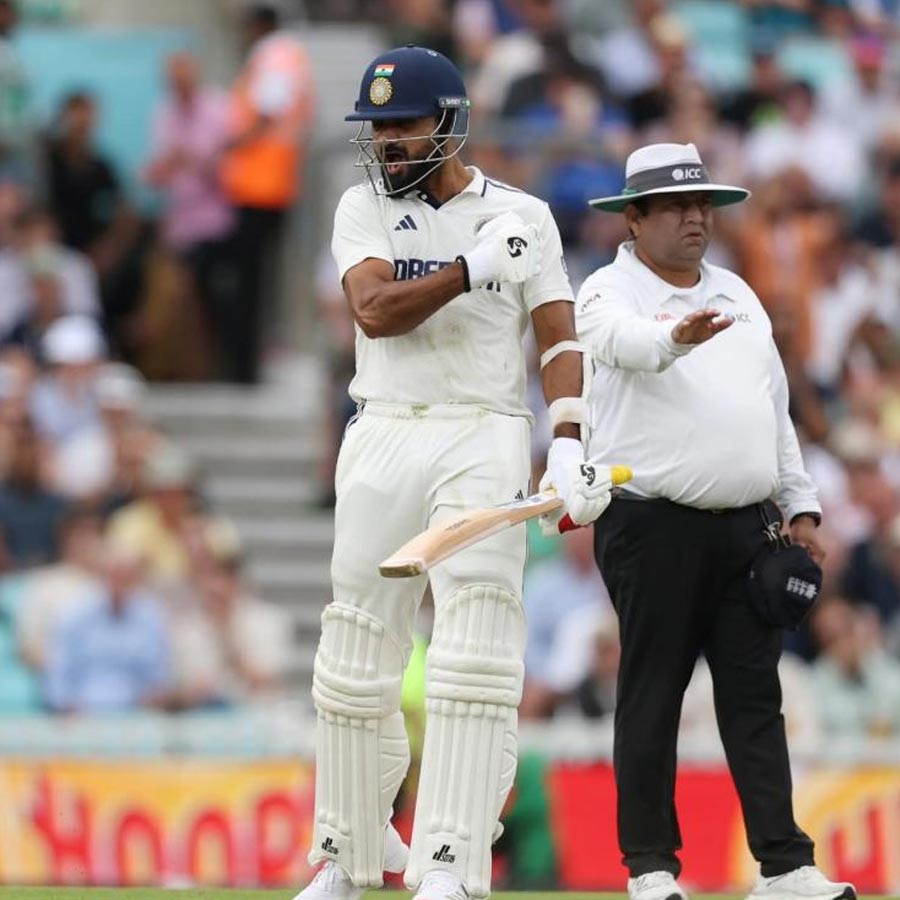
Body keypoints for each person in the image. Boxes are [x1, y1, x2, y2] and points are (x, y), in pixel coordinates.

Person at [296, 45, 613, 900]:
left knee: (472, 652)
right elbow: (374, 311)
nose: (388, 142)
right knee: (354, 648)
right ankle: (349, 858)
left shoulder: (525, 215)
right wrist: (474, 267)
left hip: (483, 430)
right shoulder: (360, 206)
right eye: (378, 127)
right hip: (385, 424)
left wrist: (572, 441)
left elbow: (558, 336)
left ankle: (448, 865)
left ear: (450, 121)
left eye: (404, 124)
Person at [575, 142, 856, 900]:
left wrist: (798, 501)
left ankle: (785, 864)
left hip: (746, 524)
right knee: (653, 690)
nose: (695, 216)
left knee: (754, 694)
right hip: (650, 523)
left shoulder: (737, 290)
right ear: (633, 218)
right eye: (674, 205)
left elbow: (771, 408)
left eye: (701, 203)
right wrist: (673, 338)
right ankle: (651, 867)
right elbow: (616, 345)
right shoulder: (608, 290)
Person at [219, 3, 314, 383]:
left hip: (261, 184)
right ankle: (246, 365)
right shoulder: (287, 56)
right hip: (269, 183)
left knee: (249, 283)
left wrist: (228, 145)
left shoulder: (274, 56)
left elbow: (267, 112)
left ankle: (245, 369)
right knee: (254, 280)